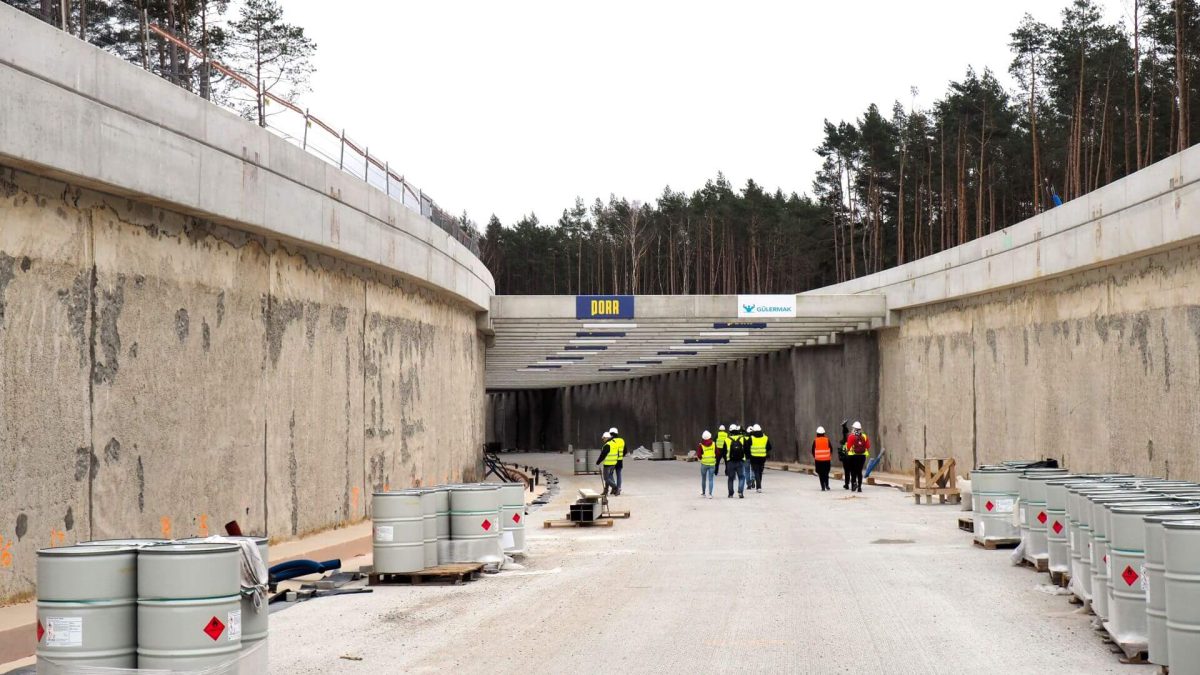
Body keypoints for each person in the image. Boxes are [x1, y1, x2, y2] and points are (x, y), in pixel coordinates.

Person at [845, 421, 871, 493]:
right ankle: (859, 487)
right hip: (862, 456)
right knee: (859, 471)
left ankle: (854, 484)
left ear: (853, 428)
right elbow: (868, 446)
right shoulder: (864, 436)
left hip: (853, 456)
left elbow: (848, 447)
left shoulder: (851, 436)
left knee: (853, 471)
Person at [724, 423, 748, 498]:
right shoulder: (742, 439)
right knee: (741, 477)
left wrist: (726, 461)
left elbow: (724, 452)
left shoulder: (727, 439)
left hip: (730, 461)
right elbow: (746, 449)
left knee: (730, 478)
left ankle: (731, 494)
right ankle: (740, 492)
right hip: (740, 461)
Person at [747, 424, 771, 493]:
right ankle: (759, 485)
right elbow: (769, 447)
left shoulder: (751, 438)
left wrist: (748, 454)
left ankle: (759, 487)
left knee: (756, 471)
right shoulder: (765, 437)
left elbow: (747, 447)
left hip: (754, 457)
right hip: (762, 457)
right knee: (760, 471)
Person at [595, 430, 621, 496]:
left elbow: (603, 455)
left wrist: (598, 462)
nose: (603, 440)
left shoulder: (607, 445)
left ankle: (616, 488)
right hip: (613, 463)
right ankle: (606, 491)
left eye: (603, 438)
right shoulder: (614, 443)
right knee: (608, 477)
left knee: (606, 478)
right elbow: (618, 453)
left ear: (606, 437)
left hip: (608, 464)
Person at [695, 431, 717, 499]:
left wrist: (702, 458)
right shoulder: (713, 444)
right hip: (712, 464)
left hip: (704, 464)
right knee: (711, 479)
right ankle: (710, 494)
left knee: (703, 479)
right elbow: (717, 453)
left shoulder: (701, 445)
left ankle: (703, 493)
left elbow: (698, 455)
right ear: (710, 436)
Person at [811, 426, 833, 491]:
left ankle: (823, 487)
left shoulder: (815, 440)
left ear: (817, 433)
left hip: (818, 460)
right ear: (824, 433)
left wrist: (816, 456)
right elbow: (831, 449)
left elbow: (812, 450)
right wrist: (828, 455)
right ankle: (827, 485)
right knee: (826, 473)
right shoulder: (827, 440)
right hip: (826, 460)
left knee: (821, 474)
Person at [609, 427, 626, 493]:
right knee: (618, 474)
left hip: (612, 460)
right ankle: (618, 488)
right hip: (619, 461)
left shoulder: (610, 441)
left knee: (610, 474)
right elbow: (625, 450)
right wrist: (621, 456)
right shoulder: (622, 440)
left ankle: (614, 487)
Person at [840, 420, 852, 490]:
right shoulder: (850, 440)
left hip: (846, 458)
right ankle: (852, 483)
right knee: (851, 471)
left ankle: (847, 484)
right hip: (850, 457)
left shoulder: (845, 441)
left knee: (847, 471)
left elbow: (844, 435)